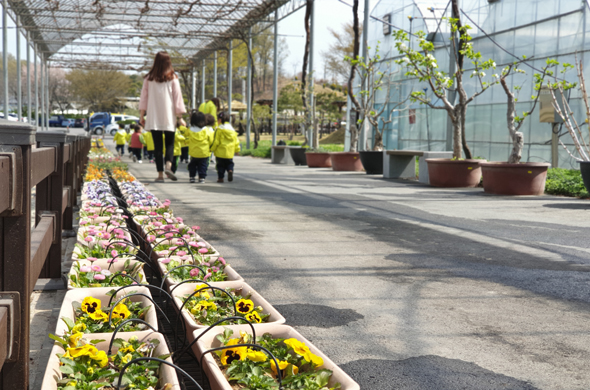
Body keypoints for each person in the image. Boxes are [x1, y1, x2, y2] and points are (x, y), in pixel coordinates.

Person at [139, 51, 186, 182]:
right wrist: (180, 117)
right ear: (168, 62)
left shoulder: (149, 78)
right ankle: (168, 167)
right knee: (170, 144)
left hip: (154, 116)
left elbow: (144, 98)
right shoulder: (173, 77)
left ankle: (160, 175)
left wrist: (142, 116)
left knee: (158, 146)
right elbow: (177, 98)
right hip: (169, 116)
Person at [211, 111, 240, 183]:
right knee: (229, 163)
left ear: (220, 120)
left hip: (220, 152)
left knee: (220, 166)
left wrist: (212, 149)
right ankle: (230, 170)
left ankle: (220, 178)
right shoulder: (232, 130)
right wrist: (237, 150)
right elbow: (236, 141)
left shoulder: (219, 129)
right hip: (229, 152)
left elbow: (216, 141)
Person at [187, 112, 215, 183]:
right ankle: (201, 177)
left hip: (193, 152)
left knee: (192, 165)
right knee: (203, 165)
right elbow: (211, 140)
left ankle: (192, 177)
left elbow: (186, 139)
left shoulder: (190, 130)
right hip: (204, 152)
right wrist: (210, 148)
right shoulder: (206, 130)